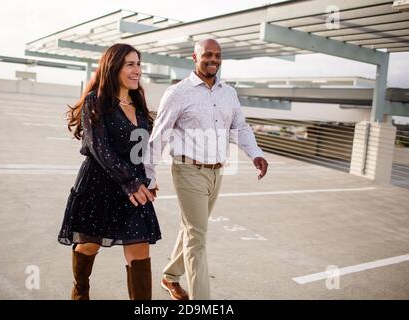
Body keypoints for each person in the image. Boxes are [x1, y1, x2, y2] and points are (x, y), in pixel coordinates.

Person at [144, 39, 268, 300]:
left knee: (191, 228)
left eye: (218, 55)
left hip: (216, 172)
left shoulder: (228, 93)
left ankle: (169, 276)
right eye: (207, 55)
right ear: (195, 57)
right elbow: (160, 134)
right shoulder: (178, 92)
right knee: (197, 237)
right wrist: (149, 174)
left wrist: (255, 153)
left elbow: (241, 127)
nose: (213, 60)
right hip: (188, 171)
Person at [57, 43, 161, 300]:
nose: (137, 70)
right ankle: (80, 291)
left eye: (139, 64)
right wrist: (130, 182)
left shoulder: (139, 106)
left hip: (134, 188)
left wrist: (147, 180)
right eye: (130, 64)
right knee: (89, 245)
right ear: (113, 67)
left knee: (140, 250)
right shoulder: (96, 101)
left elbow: (143, 152)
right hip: (98, 187)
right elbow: (98, 147)